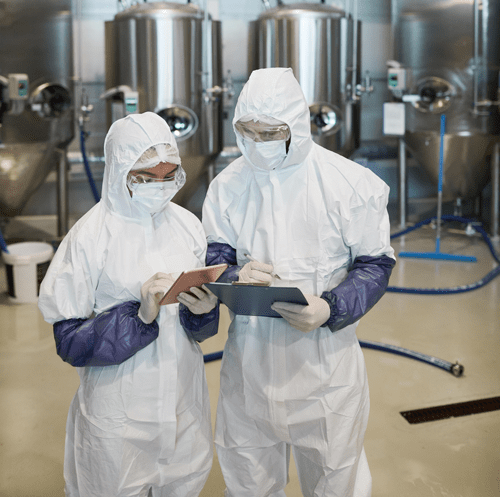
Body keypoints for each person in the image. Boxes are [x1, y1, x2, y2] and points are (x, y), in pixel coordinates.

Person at [187, 67, 396, 497]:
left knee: (336, 479)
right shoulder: (228, 186)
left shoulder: (349, 184)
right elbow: (216, 253)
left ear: (296, 127)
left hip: (325, 372)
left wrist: (331, 307)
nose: (259, 143)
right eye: (249, 131)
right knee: (249, 481)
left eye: (271, 132)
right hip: (251, 366)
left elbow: (376, 263)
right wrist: (230, 274)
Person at [38, 111, 218, 497]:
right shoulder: (89, 237)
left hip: (183, 404)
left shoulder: (187, 225)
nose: (159, 184)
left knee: (184, 483)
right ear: (120, 170)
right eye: (145, 176)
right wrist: (138, 317)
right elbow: (69, 341)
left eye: (169, 174)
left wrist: (203, 313)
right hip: (118, 417)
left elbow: (196, 332)